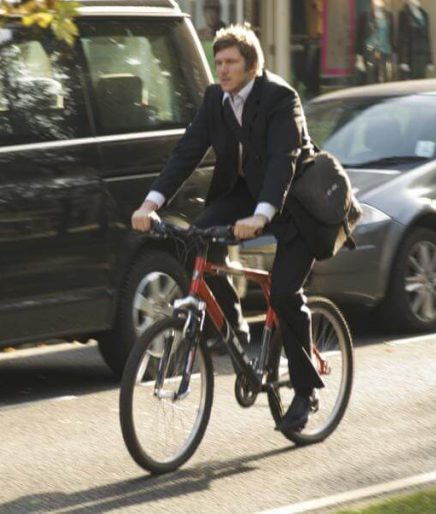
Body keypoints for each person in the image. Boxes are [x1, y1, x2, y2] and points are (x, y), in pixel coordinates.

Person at [131, 24, 324, 433]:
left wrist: (262, 215)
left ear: (252, 65)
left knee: (287, 293)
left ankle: (306, 392)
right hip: (246, 194)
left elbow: (282, 159)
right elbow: (187, 151)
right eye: (218, 62)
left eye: (231, 61)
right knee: (198, 236)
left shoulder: (280, 97)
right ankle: (232, 326)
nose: (222, 69)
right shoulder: (215, 99)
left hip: (294, 203)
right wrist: (151, 202)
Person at [356, 0, 395, 84]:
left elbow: (391, 35)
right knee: (371, 79)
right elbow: (359, 36)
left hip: (385, 51)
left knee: (385, 78)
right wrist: (359, 58)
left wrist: (394, 54)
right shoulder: (365, 15)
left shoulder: (389, 15)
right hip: (370, 51)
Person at [397, 0, 434, 80]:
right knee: (411, 82)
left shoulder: (424, 14)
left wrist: (429, 60)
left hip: (422, 54)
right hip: (411, 55)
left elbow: (427, 37)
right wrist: (403, 60)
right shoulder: (404, 14)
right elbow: (403, 37)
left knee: (421, 80)